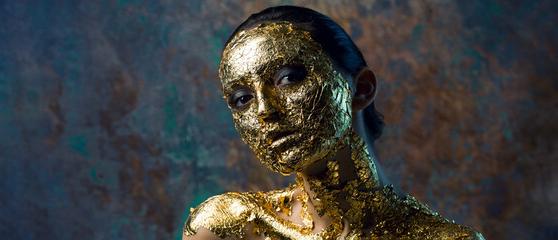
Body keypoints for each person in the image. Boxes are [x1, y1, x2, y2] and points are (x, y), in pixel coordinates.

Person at [183, 6, 484, 240]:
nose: (265, 111)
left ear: (361, 88)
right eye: (241, 99)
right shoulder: (226, 230)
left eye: (289, 78)